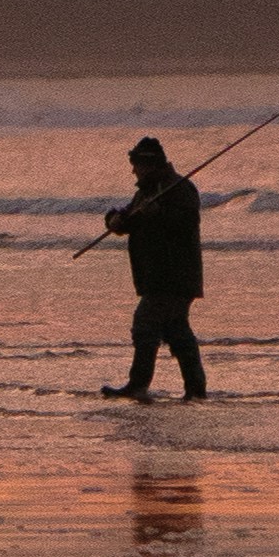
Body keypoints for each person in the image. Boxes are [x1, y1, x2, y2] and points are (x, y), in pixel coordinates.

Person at [98, 132, 207, 400]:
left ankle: (138, 385)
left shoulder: (180, 189)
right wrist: (114, 219)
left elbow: (184, 223)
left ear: (149, 164)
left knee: (145, 324)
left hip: (174, 275)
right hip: (156, 275)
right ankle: (196, 390)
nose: (133, 170)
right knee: (176, 331)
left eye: (136, 164)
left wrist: (158, 214)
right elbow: (128, 218)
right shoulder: (147, 191)